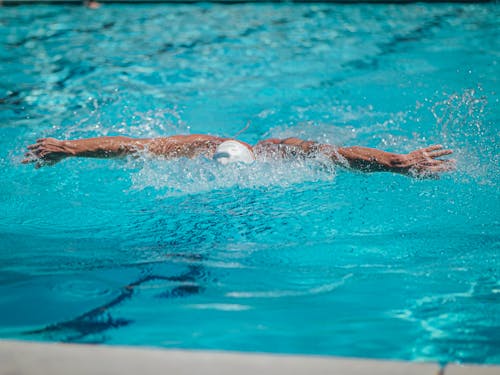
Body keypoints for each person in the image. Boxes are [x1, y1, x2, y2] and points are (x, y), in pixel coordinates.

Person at [22, 134, 455, 178]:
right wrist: (72, 150)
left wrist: (395, 161)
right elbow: (134, 145)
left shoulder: (281, 151)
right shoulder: (200, 145)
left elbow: (342, 155)